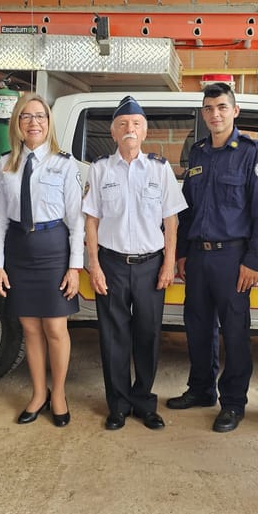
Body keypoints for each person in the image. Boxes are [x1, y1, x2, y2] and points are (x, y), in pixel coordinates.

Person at [167, 82, 258, 433]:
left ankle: (233, 402)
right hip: (199, 257)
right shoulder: (198, 154)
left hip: (233, 259)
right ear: (203, 114)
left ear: (234, 112)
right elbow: (187, 210)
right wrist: (182, 252)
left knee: (234, 331)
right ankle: (201, 390)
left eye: (222, 108)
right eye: (210, 108)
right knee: (197, 327)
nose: (216, 114)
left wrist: (254, 260)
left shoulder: (251, 154)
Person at [82, 96, 187, 430]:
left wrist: (169, 264)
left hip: (150, 266)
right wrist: (93, 265)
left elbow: (171, 222)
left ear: (145, 132)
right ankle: (118, 405)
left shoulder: (159, 169)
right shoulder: (99, 170)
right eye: (123, 124)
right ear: (113, 133)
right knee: (113, 338)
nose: (130, 129)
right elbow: (91, 222)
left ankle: (143, 401)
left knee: (147, 335)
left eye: (136, 124)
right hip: (110, 264)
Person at [0, 93, 83, 427]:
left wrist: (75, 268)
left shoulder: (64, 162)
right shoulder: (4, 165)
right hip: (19, 249)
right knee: (30, 328)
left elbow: (76, 220)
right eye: (26, 116)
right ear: (17, 123)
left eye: (40, 116)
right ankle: (38, 393)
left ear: (49, 123)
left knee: (56, 327)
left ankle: (58, 394)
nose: (34, 123)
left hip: (53, 248)